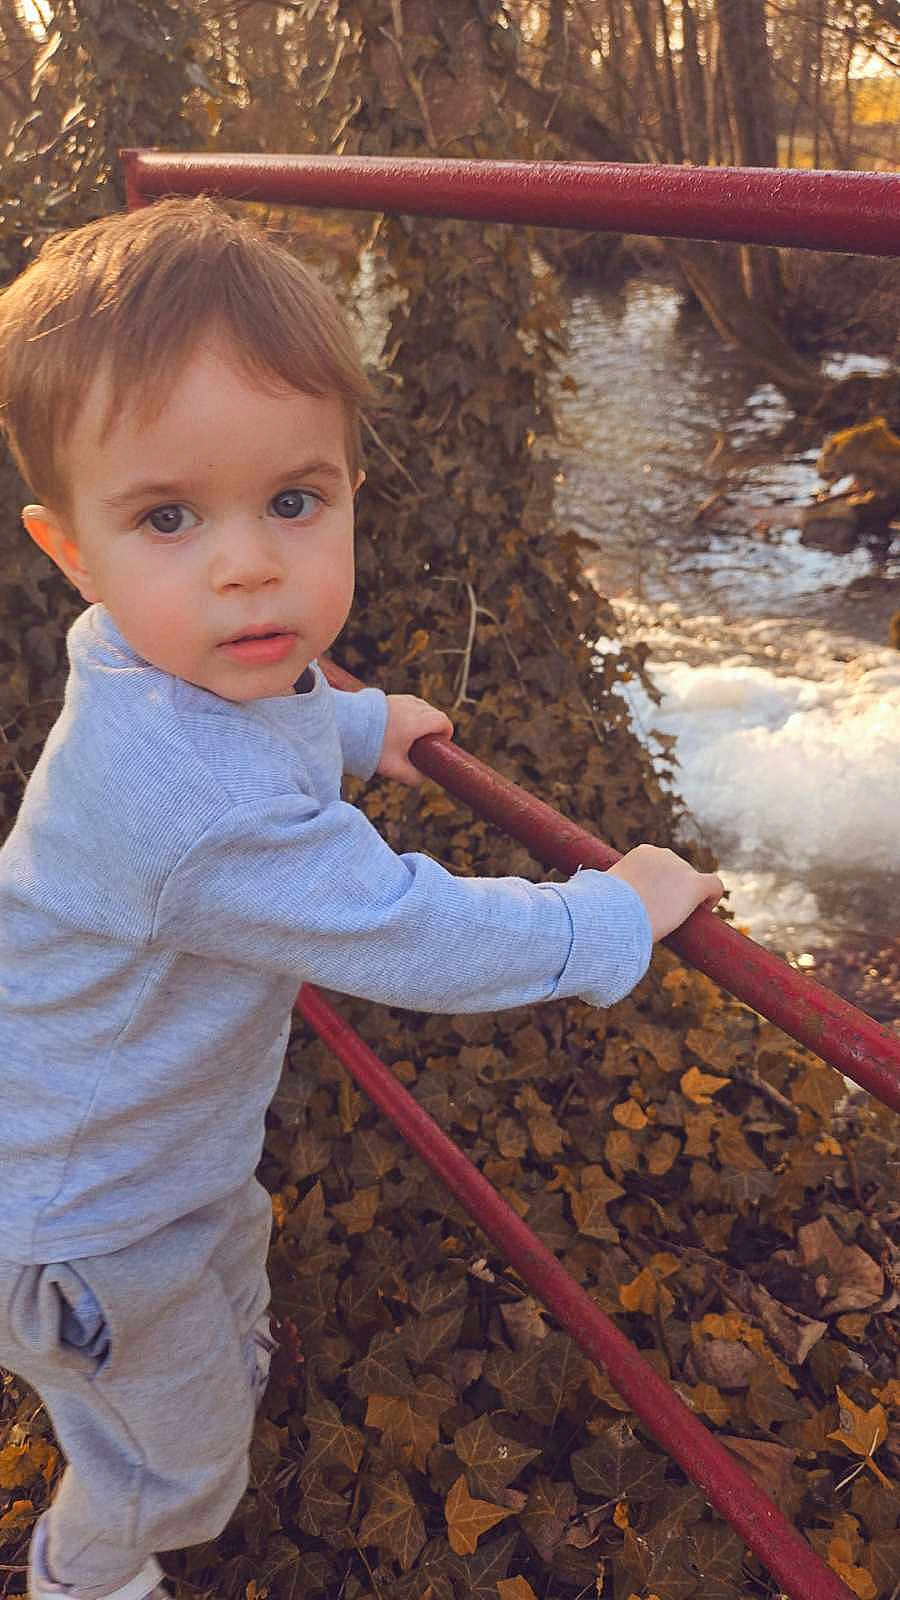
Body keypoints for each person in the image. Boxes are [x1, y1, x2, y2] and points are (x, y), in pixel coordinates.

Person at [0, 197, 723, 1600]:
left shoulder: (166, 655)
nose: (250, 562)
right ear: (71, 550)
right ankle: (93, 1570)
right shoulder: (190, 815)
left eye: (293, 498)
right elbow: (411, 928)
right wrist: (607, 914)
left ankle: (189, 1376)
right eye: (169, 516)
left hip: (148, 1160)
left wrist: (356, 722)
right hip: (81, 1215)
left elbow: (258, 713)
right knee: (173, 1463)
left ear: (345, 488)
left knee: (232, 1258)